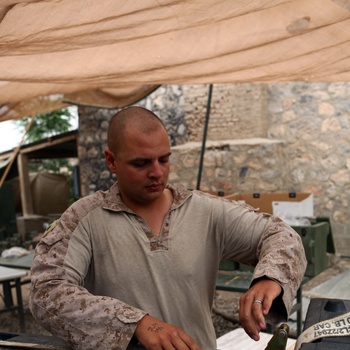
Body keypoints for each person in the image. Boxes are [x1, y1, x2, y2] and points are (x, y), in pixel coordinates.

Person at [29, 106, 307, 350]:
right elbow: (46, 293)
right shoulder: (84, 219)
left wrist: (270, 278)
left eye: (164, 159)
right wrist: (136, 324)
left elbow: (281, 235)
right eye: (141, 163)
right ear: (111, 160)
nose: (157, 172)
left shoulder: (206, 211)